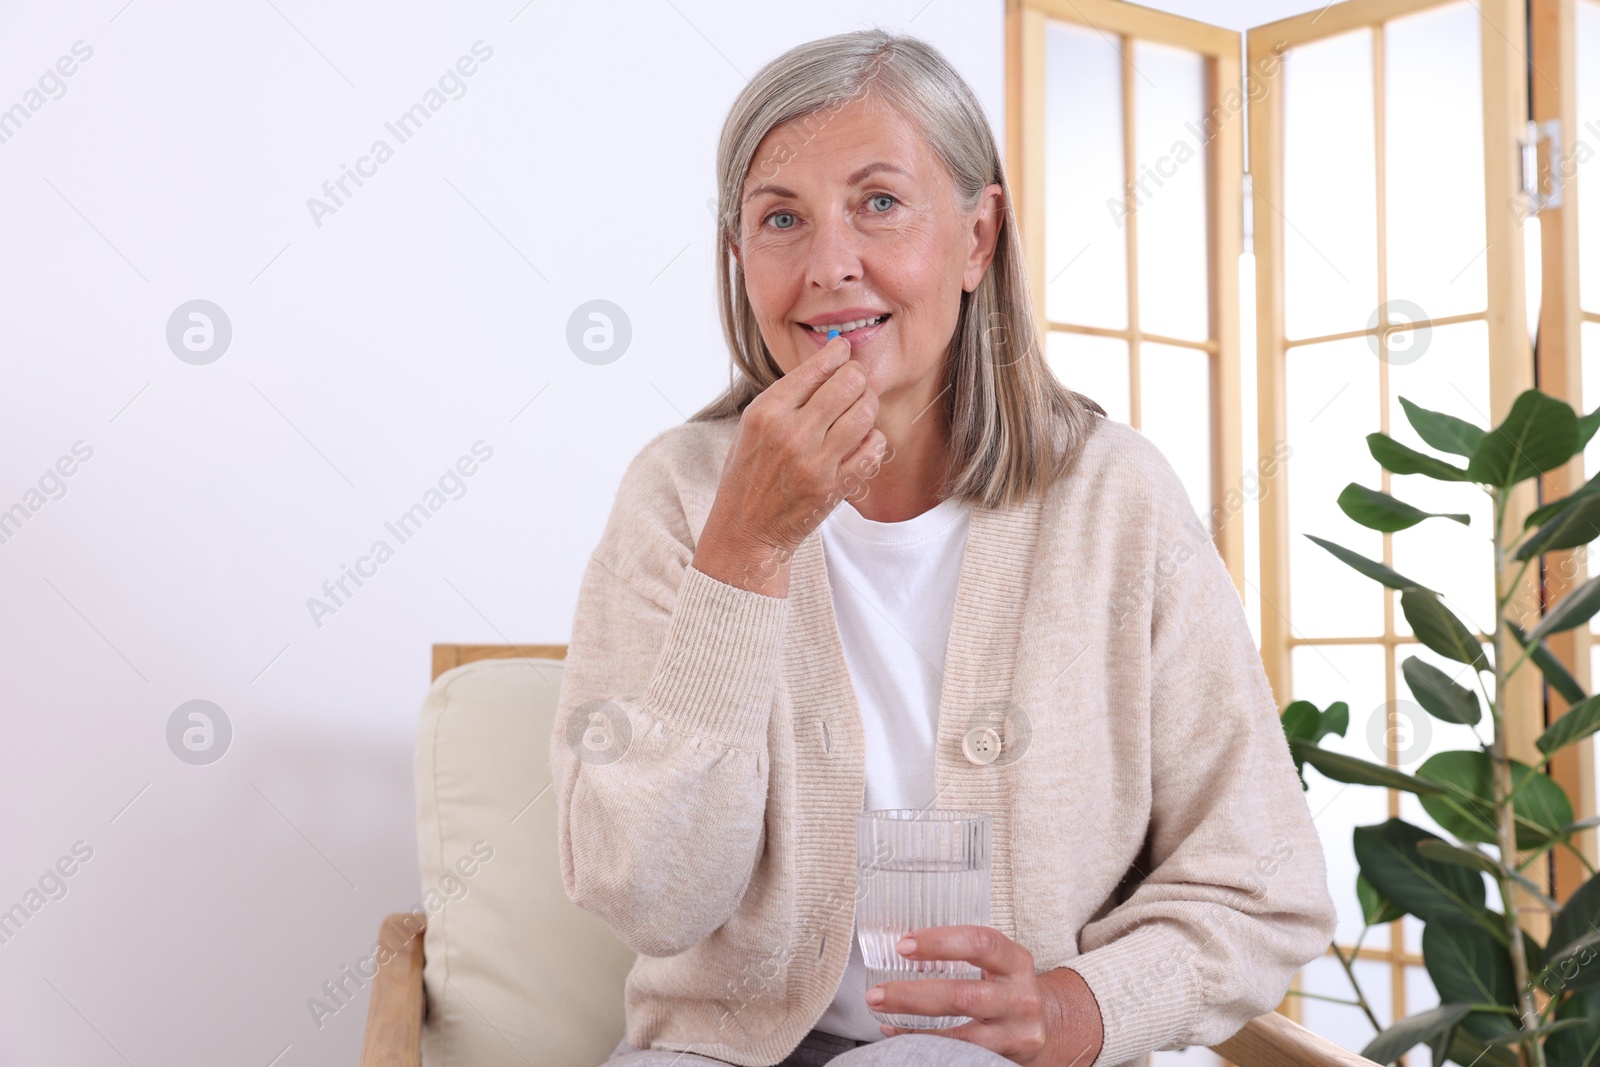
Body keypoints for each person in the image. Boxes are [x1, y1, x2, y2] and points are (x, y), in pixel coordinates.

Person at [550, 26, 1336, 1067]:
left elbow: (1266, 879)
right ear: (738, 257)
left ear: (976, 238)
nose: (829, 264)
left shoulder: (1116, 497)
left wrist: (1078, 1007)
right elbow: (648, 893)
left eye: (879, 203)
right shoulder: (680, 494)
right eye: (780, 217)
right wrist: (739, 554)